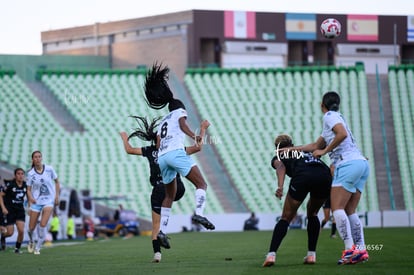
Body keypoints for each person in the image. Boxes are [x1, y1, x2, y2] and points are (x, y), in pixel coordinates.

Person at [282, 91, 370, 265]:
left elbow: (342, 134)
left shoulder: (329, 116)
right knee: (350, 210)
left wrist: (325, 151)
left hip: (347, 164)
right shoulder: (337, 117)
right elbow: (315, 145)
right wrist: (292, 149)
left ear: (323, 105)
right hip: (360, 163)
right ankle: (360, 250)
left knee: (337, 209)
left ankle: (349, 250)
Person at [143, 63, 215, 249]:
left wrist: (203, 130)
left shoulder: (162, 122)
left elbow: (160, 143)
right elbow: (183, 126)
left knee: (170, 194)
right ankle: (199, 213)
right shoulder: (179, 112)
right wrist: (196, 134)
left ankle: (162, 231)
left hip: (163, 158)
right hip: (175, 153)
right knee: (201, 184)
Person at [120, 115, 209, 263]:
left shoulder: (154, 150)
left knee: (159, 218)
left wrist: (203, 129)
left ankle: (162, 240)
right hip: (163, 190)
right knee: (156, 224)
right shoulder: (170, 149)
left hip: (172, 189)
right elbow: (198, 147)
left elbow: (129, 150)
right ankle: (157, 253)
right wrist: (124, 137)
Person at [263, 134, 332, 267]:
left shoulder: (279, 155)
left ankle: (271, 255)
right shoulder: (304, 150)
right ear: (292, 143)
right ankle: (311, 255)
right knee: (312, 213)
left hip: (302, 177)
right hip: (324, 175)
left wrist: (280, 187)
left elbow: (281, 167)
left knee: (285, 217)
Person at [26, 151, 60, 255]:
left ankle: (38, 247)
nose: (37, 159)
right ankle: (31, 240)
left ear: (41, 158)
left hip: (49, 201)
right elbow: (28, 189)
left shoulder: (49, 169)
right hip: (36, 202)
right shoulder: (30, 173)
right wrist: (31, 198)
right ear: (33, 159)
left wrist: (57, 196)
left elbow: (57, 182)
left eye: (39, 156)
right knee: (31, 228)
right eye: (35, 157)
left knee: (43, 224)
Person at [0, 168, 27, 253]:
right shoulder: (9, 185)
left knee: (21, 231)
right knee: (10, 233)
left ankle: (17, 249)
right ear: (15, 176)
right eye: (18, 174)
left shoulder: (26, 185)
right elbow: (0, 195)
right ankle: (3, 237)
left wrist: (31, 206)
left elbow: (29, 196)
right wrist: (3, 208)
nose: (20, 175)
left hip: (20, 211)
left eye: (22, 174)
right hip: (10, 211)